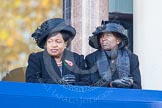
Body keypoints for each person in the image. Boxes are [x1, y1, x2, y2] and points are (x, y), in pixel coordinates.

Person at [26, 18, 88, 85]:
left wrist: (71, 85)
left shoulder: (77, 59)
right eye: (50, 41)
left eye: (58, 42)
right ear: (46, 44)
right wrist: (59, 82)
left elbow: (86, 82)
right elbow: (31, 81)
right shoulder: (37, 58)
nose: (54, 45)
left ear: (65, 43)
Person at [85, 21, 142, 89]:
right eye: (101, 36)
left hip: (127, 97)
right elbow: (92, 84)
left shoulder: (132, 58)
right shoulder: (91, 58)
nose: (103, 39)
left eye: (108, 35)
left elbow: (138, 86)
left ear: (118, 40)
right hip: (103, 97)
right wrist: (111, 84)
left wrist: (130, 84)